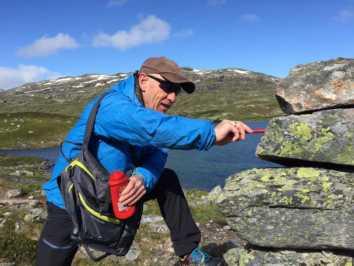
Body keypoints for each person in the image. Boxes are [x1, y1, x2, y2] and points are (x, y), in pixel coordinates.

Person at [36, 56, 252, 266]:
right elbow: (152, 129)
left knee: (166, 179)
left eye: (175, 91)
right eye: (167, 87)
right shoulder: (112, 106)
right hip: (72, 196)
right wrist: (212, 132)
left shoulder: (147, 109)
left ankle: (188, 253)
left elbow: (157, 152)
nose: (172, 97)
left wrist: (144, 176)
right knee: (53, 258)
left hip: (111, 190)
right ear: (143, 80)